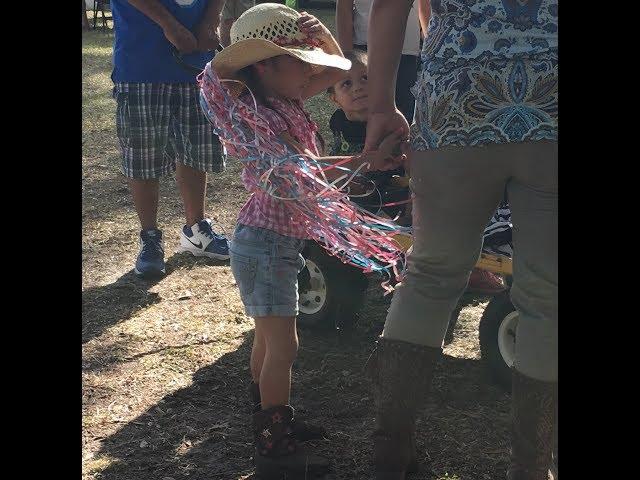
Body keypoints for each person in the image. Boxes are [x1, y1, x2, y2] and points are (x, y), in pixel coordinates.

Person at [200, 4, 402, 477]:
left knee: (268, 343)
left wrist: (326, 39)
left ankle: (268, 414)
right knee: (284, 346)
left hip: (273, 243)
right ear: (267, 65)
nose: (312, 71)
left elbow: (340, 70)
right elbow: (301, 174)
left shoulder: (285, 100)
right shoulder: (259, 119)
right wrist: (365, 159)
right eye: (300, 60)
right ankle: (276, 450)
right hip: (265, 242)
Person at [363, 1, 558, 479]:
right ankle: (530, 470)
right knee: (549, 296)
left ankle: (391, 455)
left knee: (428, 276)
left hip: (456, 97)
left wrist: (382, 105)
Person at [111, 0, 231, 279]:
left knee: (194, 147)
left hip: (197, 62)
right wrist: (169, 24)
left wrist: (210, 19)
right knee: (143, 154)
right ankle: (150, 237)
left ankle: (196, 229)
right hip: (141, 62)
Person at [335, 0, 421, 123]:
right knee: (363, 110)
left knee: (403, 111)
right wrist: (347, 57)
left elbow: (425, 5)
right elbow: (344, 7)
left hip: (408, 49)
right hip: (365, 46)